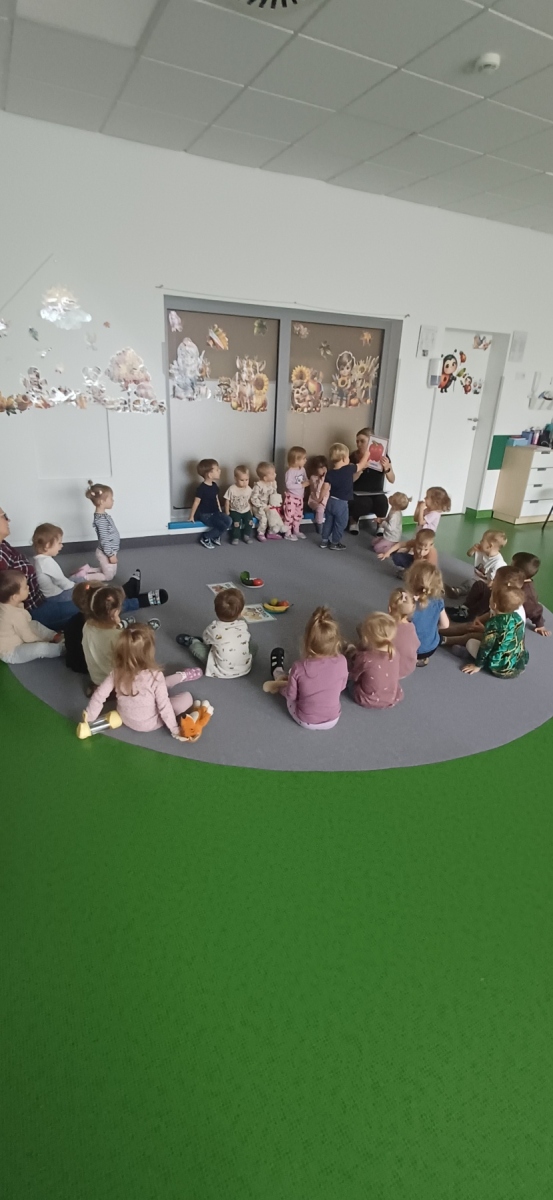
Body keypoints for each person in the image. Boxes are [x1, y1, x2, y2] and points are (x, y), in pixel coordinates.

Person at [0, 507, 166, 632]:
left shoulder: (4, 545)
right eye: (4, 516)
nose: (9, 520)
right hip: (40, 607)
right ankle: (135, 601)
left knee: (83, 583)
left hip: (44, 595)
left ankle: (122, 592)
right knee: (91, 601)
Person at [84, 625, 201, 739]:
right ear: (149, 652)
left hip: (125, 718)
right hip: (151, 723)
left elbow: (99, 695)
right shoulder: (155, 675)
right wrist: (175, 729)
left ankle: (181, 676)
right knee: (187, 697)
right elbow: (164, 707)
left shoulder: (116, 673)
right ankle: (181, 676)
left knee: (159, 685)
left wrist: (89, 718)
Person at [263, 606, 348, 730]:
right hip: (333, 719)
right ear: (337, 641)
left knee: (290, 682)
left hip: (306, 720)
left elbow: (291, 696)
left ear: (306, 641)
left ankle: (277, 673)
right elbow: (342, 687)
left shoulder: (299, 667)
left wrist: (282, 688)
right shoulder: (342, 660)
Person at [32, 522, 129, 596]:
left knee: (80, 580)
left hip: (59, 590)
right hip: (58, 595)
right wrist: (77, 587)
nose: (61, 546)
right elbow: (62, 583)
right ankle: (112, 592)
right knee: (87, 590)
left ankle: (88, 580)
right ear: (47, 545)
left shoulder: (41, 560)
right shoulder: (46, 562)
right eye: (59, 543)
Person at [176, 587, 253, 678]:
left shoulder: (213, 628)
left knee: (197, 647)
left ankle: (192, 641)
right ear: (240, 613)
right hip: (244, 668)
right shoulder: (243, 625)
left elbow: (206, 640)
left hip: (220, 671)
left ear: (215, 611)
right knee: (253, 646)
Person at [462, 581, 528, 678]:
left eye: (491, 597)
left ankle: (474, 660)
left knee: (470, 643)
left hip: (499, 667)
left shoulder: (494, 623)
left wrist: (477, 666)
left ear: (494, 605)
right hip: (517, 662)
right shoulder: (518, 618)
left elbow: (486, 647)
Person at [0, 570, 64, 664]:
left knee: (34, 624)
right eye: (25, 587)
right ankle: (63, 648)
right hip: (11, 651)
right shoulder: (15, 615)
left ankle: (55, 636)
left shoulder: (6, 604)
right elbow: (28, 637)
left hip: (17, 633)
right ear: (15, 597)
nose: (28, 587)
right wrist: (43, 641)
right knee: (40, 648)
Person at [445, 529, 508, 619]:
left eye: (482, 540)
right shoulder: (481, 551)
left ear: (489, 546)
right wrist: (472, 549)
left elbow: (491, 583)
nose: (480, 542)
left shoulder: (498, 563)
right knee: (469, 583)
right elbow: (469, 554)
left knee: (473, 587)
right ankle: (457, 591)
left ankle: (468, 606)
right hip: (475, 579)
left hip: (485, 585)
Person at [320, 441, 371, 550]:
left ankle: (324, 541)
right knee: (341, 523)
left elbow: (324, 487)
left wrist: (320, 498)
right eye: (348, 457)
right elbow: (361, 464)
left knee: (328, 521)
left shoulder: (330, 473)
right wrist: (367, 454)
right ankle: (335, 543)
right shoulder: (348, 469)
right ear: (343, 458)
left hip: (330, 501)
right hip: (341, 503)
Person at [348, 612, 403, 708]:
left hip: (367, 699)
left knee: (349, 682)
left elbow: (353, 676)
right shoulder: (395, 653)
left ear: (366, 639)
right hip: (391, 698)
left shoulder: (365, 658)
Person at [348, 427, 395, 534]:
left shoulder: (383, 457)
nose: (358, 444)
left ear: (371, 441)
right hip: (358, 492)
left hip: (376, 492)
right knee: (364, 503)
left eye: (362, 441)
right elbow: (350, 480)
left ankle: (380, 524)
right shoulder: (353, 457)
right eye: (357, 441)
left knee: (382, 501)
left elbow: (392, 479)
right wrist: (361, 468)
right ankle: (354, 520)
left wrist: (387, 468)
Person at [404, 561, 449, 666]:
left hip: (413, 650)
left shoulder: (409, 604)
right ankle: (422, 658)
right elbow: (445, 625)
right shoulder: (438, 601)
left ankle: (411, 658)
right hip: (432, 647)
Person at [189, 458, 232, 550]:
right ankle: (206, 537)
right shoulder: (201, 488)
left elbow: (216, 499)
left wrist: (220, 510)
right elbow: (196, 502)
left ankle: (215, 536)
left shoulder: (214, 486)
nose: (220, 471)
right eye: (217, 469)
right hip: (206, 515)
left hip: (215, 512)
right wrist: (191, 516)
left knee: (229, 520)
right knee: (222, 525)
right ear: (209, 474)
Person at [85, 480, 122, 579]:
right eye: (111, 498)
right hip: (105, 553)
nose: (113, 501)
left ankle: (87, 570)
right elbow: (104, 539)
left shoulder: (103, 516)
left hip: (110, 551)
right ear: (102, 502)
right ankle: (84, 577)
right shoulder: (101, 520)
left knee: (112, 573)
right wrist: (110, 555)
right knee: (108, 576)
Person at [511, 552, 550, 636]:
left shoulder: (528, 592)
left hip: (513, 615)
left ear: (518, 572)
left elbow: (534, 609)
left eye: (511, 566)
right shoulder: (518, 580)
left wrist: (540, 625)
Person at [251, 461, 289, 542]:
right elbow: (253, 499)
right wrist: (263, 506)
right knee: (264, 518)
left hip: (269, 505)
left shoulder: (273, 483)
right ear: (265, 478)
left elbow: (274, 494)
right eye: (272, 474)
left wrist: (276, 503)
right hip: (259, 507)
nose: (275, 474)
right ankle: (261, 533)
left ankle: (271, 532)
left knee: (274, 516)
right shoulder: (258, 486)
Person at [388, 587, 420, 678]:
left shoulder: (386, 628)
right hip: (407, 668)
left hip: (390, 671)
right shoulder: (412, 627)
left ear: (389, 608)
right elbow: (416, 645)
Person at [371, 492, 411, 556]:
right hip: (387, 535)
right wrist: (381, 519)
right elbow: (388, 520)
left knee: (376, 548)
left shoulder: (395, 515)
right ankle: (393, 546)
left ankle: (395, 549)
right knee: (374, 542)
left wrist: (382, 522)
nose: (390, 497)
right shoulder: (393, 509)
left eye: (392, 497)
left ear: (395, 504)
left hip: (392, 538)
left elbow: (390, 528)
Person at [283, 446, 310, 539]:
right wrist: (302, 485)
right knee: (289, 516)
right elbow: (288, 485)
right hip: (291, 498)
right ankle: (287, 533)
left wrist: (309, 482)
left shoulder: (302, 469)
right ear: (296, 460)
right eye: (303, 458)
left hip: (300, 498)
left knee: (298, 515)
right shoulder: (289, 472)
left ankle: (296, 530)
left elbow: (305, 479)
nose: (305, 460)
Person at [223, 465, 254, 545]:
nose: (245, 482)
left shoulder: (249, 489)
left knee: (249, 522)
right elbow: (227, 501)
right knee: (236, 523)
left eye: (247, 480)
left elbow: (249, 500)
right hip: (235, 510)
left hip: (246, 510)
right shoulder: (232, 489)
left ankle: (246, 535)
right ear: (235, 478)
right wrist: (227, 512)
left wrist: (251, 510)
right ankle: (235, 537)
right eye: (242, 480)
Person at [307, 456, 329, 535]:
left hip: (325, 500)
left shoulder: (328, 477)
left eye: (324, 467)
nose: (323, 469)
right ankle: (319, 525)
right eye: (321, 468)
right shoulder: (313, 478)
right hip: (315, 501)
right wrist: (323, 479)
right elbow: (318, 489)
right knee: (320, 509)